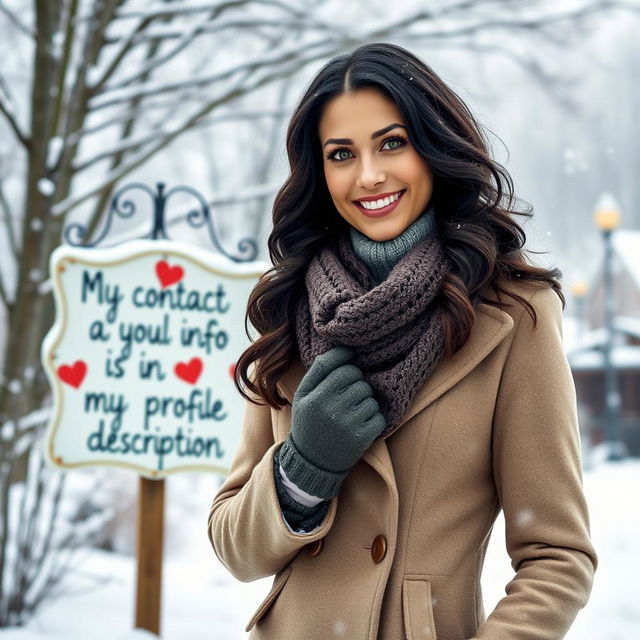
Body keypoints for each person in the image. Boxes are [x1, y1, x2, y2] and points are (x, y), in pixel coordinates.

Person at [208, 42, 597, 640]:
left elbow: (558, 558)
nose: (369, 176)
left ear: (433, 147)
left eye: (392, 143)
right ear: (322, 172)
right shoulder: (290, 310)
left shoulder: (513, 316)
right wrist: (302, 469)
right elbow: (236, 549)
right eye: (342, 154)